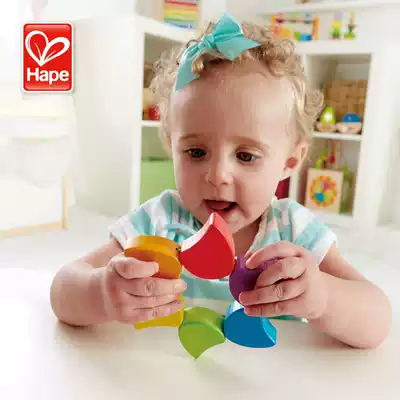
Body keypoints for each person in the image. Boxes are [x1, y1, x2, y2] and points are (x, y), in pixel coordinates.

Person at [50, 13, 391, 349]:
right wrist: (101, 293)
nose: (217, 176)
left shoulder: (292, 231)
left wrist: (324, 298)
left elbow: (378, 319)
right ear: (171, 144)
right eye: (196, 152)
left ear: (290, 161)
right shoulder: (160, 222)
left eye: (246, 156)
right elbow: (63, 288)